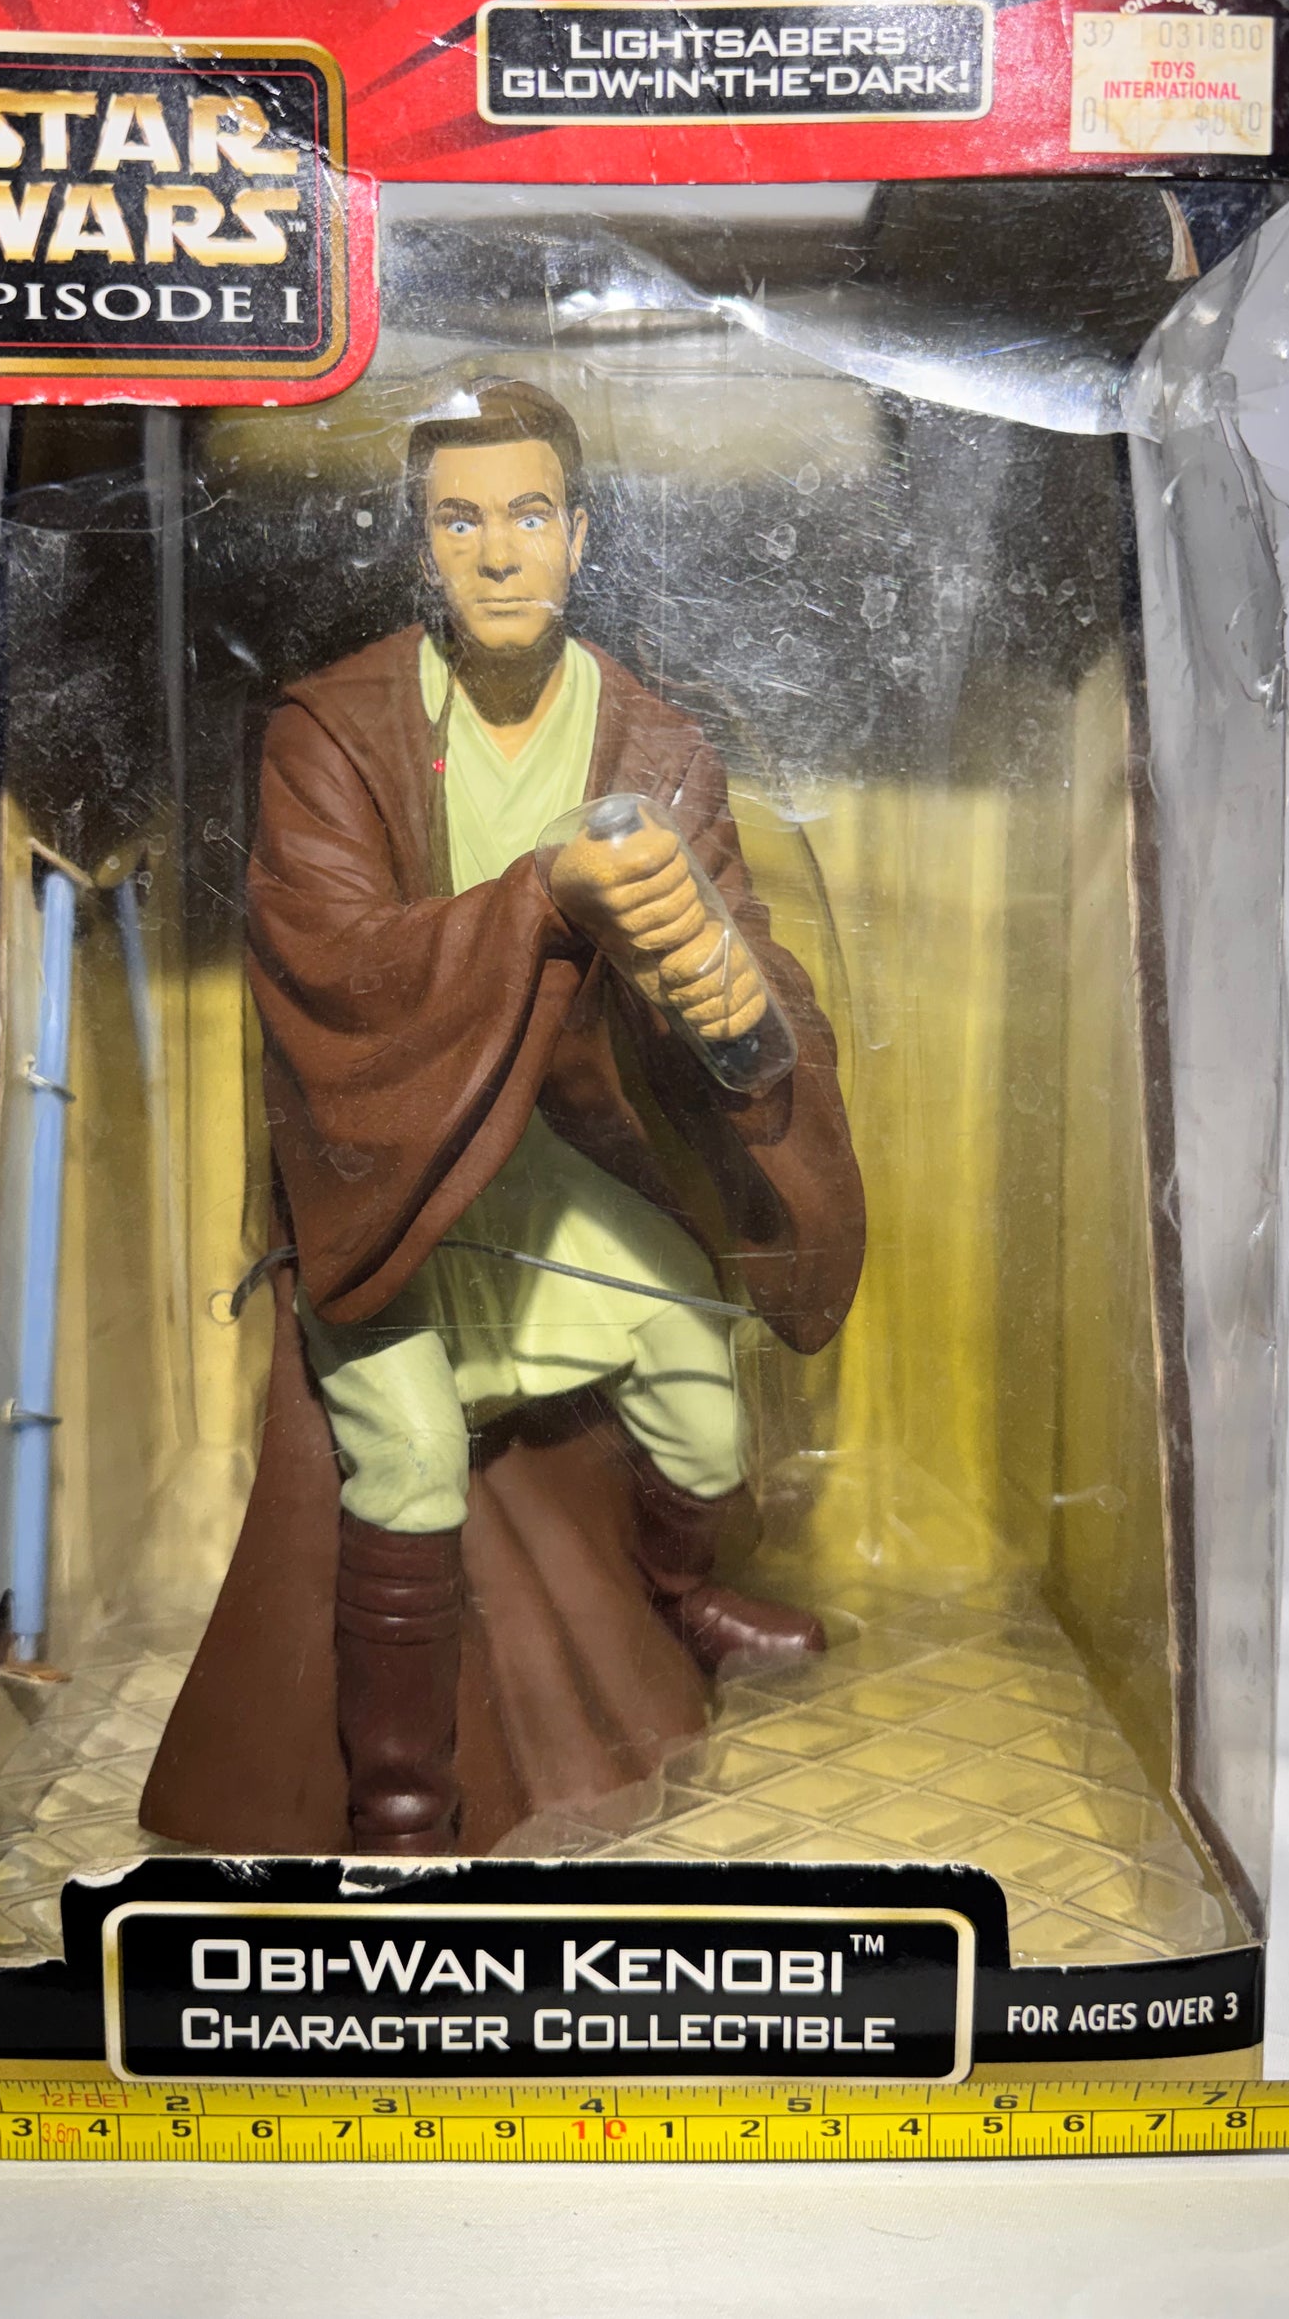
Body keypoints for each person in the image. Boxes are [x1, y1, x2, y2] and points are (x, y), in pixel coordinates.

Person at [143, 376, 864, 1856]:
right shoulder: (334, 732)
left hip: (542, 1162)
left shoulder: (656, 745)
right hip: (390, 1174)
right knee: (406, 1453)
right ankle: (404, 1801)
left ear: (580, 537)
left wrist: (731, 993)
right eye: (458, 520)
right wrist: (540, 896)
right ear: (421, 544)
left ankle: (677, 1598)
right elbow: (328, 962)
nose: (496, 553)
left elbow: (737, 937)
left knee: (693, 1364)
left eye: (528, 515)